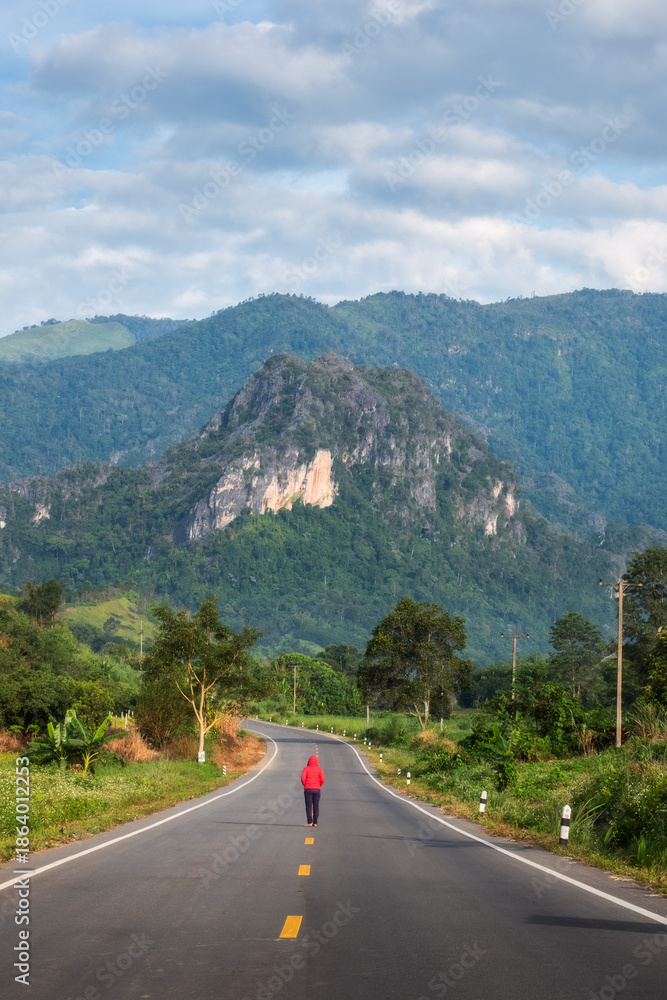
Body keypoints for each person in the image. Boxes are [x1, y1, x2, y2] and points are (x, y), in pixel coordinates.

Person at [301, 754, 325, 827]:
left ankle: (309, 822)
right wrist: (318, 785)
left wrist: (305, 784)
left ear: (309, 761)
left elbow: (302, 778)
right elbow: (323, 779)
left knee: (308, 806)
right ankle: (315, 822)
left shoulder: (306, 768)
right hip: (317, 789)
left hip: (308, 789)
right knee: (316, 805)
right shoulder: (319, 769)